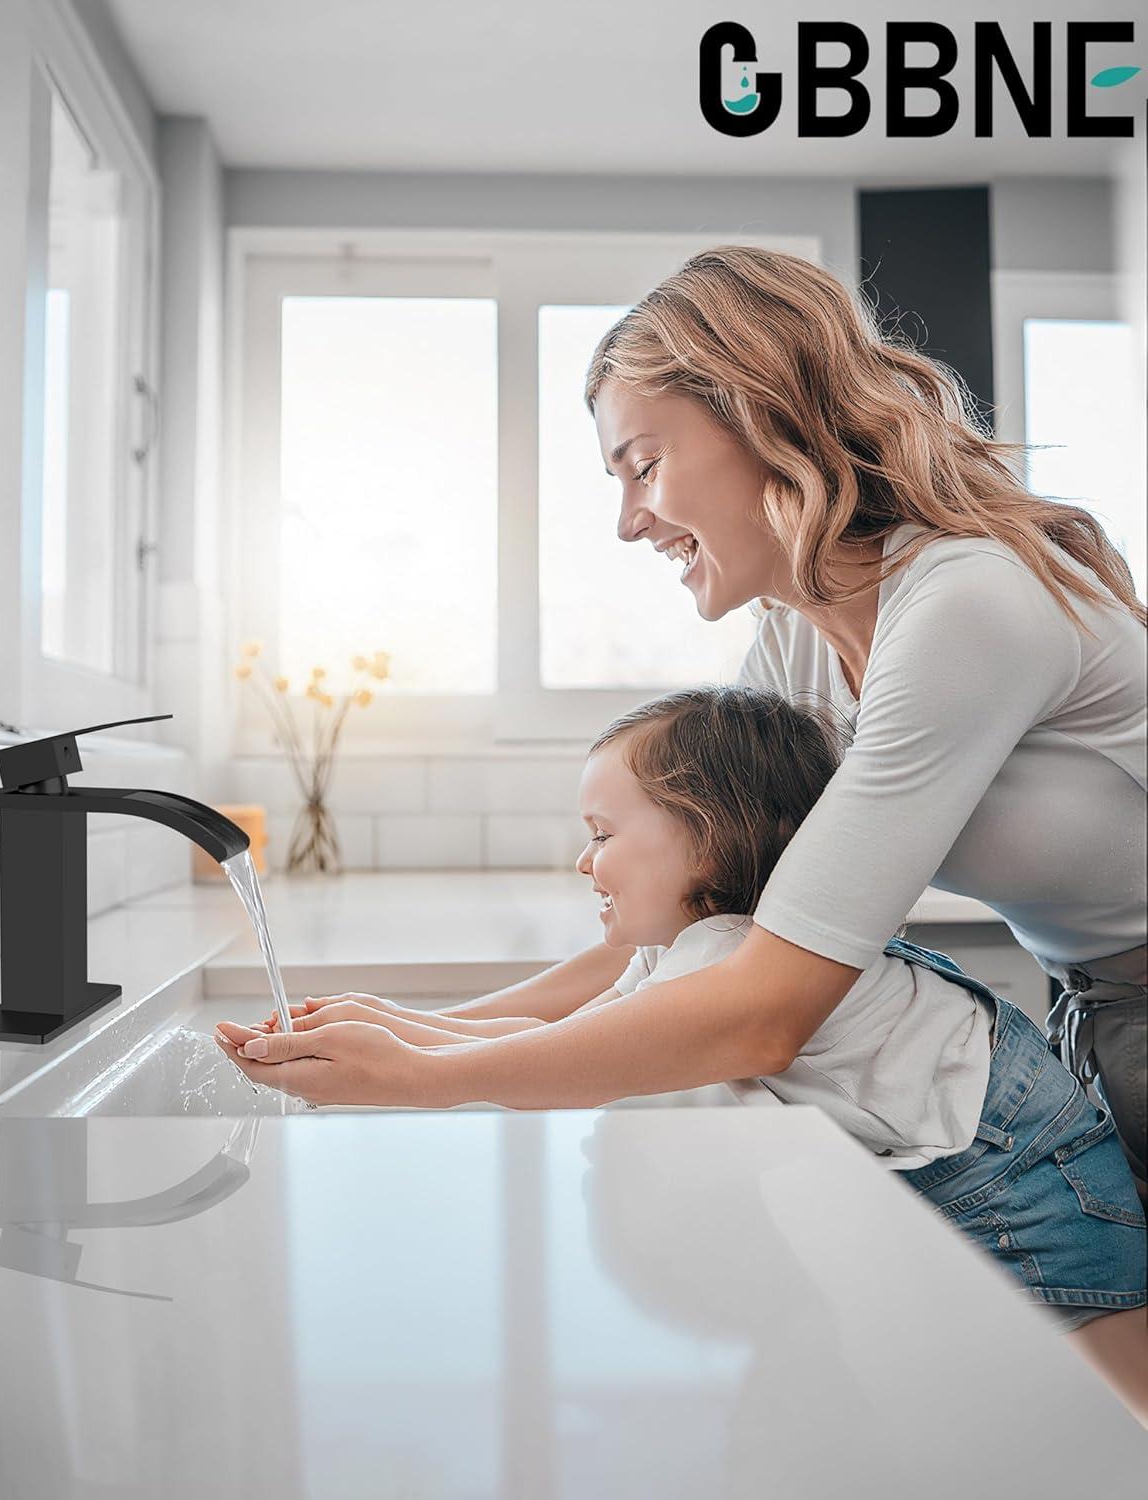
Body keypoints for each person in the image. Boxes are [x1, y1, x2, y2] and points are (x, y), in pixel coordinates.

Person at [214, 242, 1146, 1387]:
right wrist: (428, 1025)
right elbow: (704, 939)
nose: (628, 520)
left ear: (763, 418)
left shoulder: (965, 603)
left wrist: (423, 1073)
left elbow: (759, 1012)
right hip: (1094, 1004)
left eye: (641, 465)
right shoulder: (806, 628)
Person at [216, 684, 1147, 1419]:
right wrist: (397, 1024)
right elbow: (568, 1042)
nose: (586, 862)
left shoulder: (736, 956)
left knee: (1111, 1431)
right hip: (1005, 1175)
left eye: (603, 835)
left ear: (708, 837)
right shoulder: (697, 948)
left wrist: (417, 1073)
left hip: (1034, 1203)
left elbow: (584, 1065)